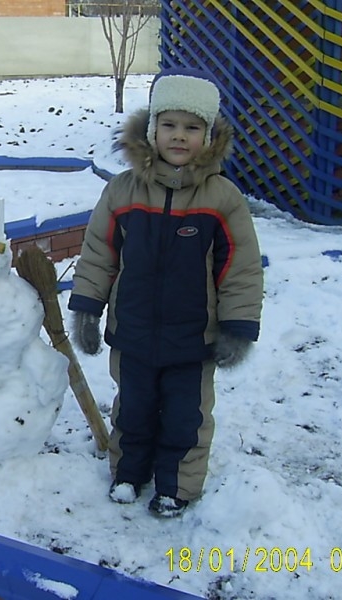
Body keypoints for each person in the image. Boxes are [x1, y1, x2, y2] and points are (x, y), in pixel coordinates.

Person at [68, 67, 263, 518]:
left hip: (194, 339)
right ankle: (128, 472)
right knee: (132, 408)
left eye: (192, 128)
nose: (180, 137)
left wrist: (237, 327)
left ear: (209, 136)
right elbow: (99, 252)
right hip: (132, 330)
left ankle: (177, 484)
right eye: (169, 125)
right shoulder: (122, 190)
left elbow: (241, 267)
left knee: (186, 417)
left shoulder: (223, 198)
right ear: (151, 130)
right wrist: (87, 310)